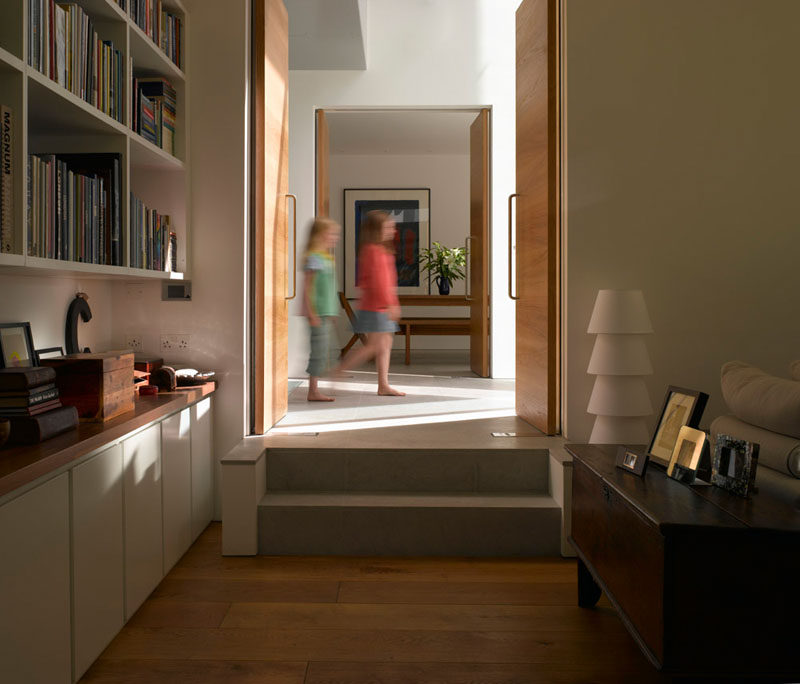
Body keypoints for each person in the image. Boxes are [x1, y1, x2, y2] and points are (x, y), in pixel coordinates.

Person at [336, 210, 406, 396]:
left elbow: (388, 282)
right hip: (376, 307)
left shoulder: (380, 250)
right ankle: (340, 370)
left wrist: (393, 301)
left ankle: (383, 385)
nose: (393, 230)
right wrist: (390, 304)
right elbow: (378, 282)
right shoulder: (373, 251)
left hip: (379, 305)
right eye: (388, 227)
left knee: (383, 345)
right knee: (375, 346)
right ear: (376, 230)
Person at [302, 217, 340, 401]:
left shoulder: (326, 258)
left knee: (325, 350)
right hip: (317, 313)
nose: (335, 237)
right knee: (318, 351)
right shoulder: (314, 258)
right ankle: (313, 391)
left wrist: (332, 311)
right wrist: (311, 312)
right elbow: (307, 288)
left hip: (325, 312)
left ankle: (319, 385)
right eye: (331, 234)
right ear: (320, 235)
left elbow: (328, 287)